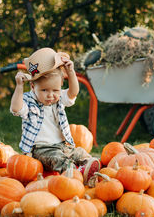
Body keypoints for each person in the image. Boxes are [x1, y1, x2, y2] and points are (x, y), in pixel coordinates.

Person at [10, 47, 100, 184]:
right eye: (44, 90)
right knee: (58, 159)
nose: (51, 95)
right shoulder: (29, 100)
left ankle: (89, 167)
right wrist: (19, 87)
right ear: (33, 87)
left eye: (55, 90)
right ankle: (76, 175)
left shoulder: (58, 99)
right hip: (41, 149)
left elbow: (73, 92)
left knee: (79, 153)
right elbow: (16, 108)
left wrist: (70, 72)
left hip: (63, 145)